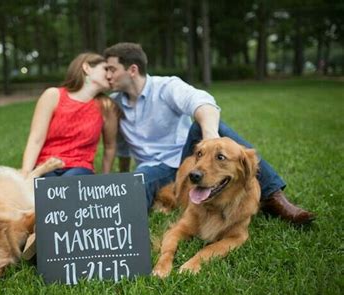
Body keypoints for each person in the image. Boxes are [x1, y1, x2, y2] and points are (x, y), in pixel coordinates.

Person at [103, 42, 315, 225]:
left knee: (206, 125)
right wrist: (122, 176)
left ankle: (273, 195)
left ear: (132, 70)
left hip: (186, 159)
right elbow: (121, 148)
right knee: (137, 182)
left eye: (112, 69)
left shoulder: (166, 87)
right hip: (153, 169)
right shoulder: (114, 104)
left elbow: (202, 102)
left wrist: (210, 136)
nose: (107, 75)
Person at [21, 52, 118, 177]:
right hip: (46, 165)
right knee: (49, 183)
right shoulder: (53, 96)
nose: (110, 75)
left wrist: (105, 180)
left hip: (80, 168)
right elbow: (36, 139)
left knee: (71, 181)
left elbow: (110, 146)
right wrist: (26, 173)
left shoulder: (106, 106)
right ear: (86, 68)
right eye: (105, 69)